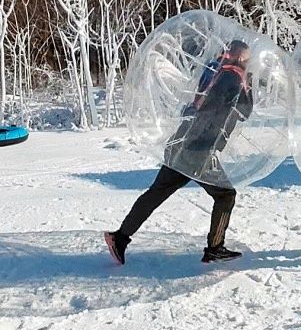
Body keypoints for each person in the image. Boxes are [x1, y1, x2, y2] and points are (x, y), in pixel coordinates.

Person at [105, 40, 253, 265]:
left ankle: (120, 237)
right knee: (225, 195)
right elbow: (244, 110)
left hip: (181, 143)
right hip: (198, 150)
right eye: (246, 58)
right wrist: (248, 83)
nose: (247, 62)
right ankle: (215, 247)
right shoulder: (232, 77)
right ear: (239, 56)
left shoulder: (213, 70)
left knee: (157, 192)